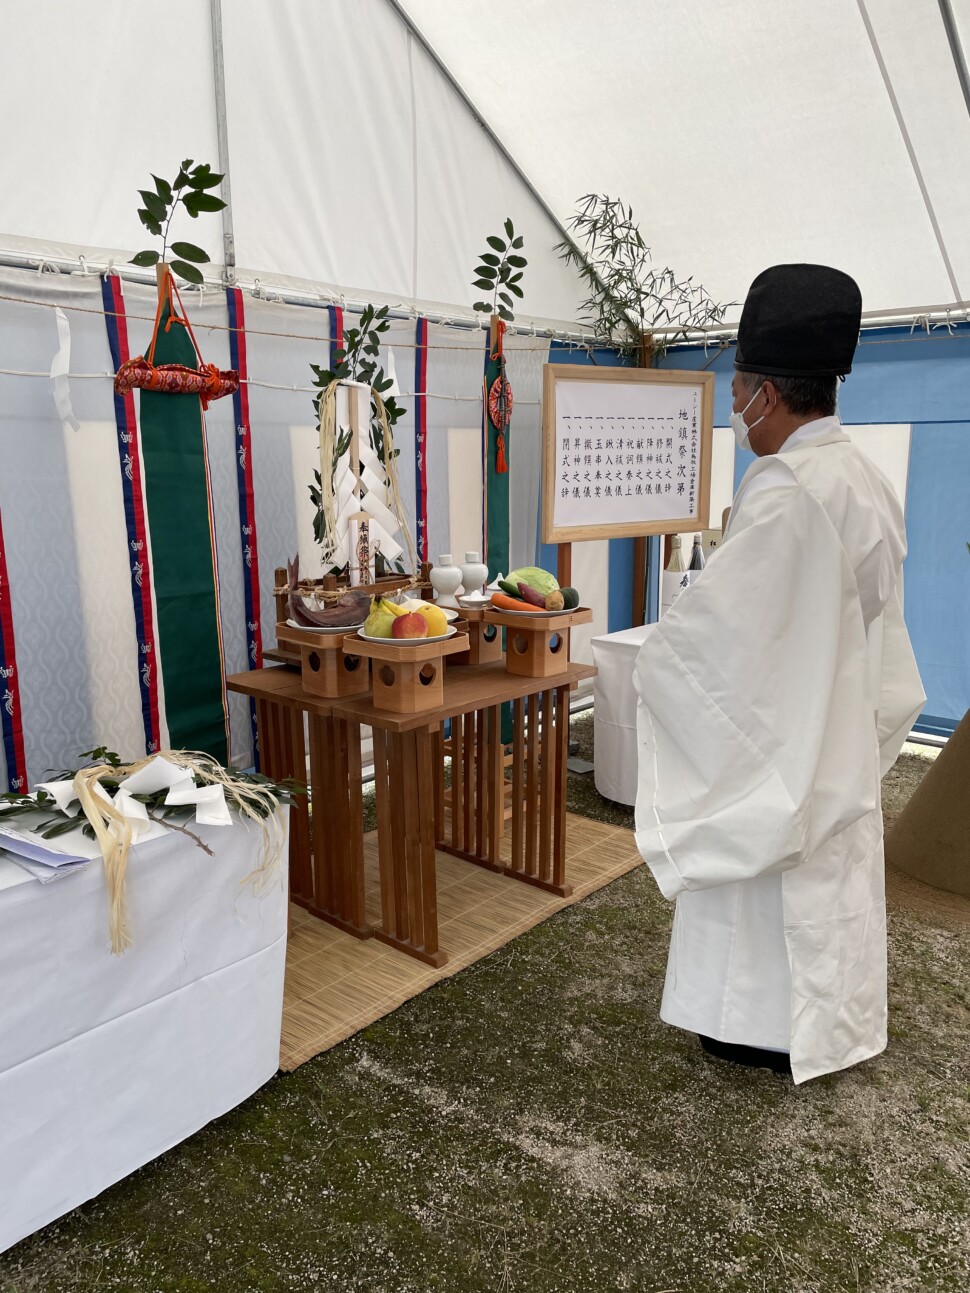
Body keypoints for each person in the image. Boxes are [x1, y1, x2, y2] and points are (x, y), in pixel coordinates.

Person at [633, 264, 925, 1084]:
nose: (734, 407)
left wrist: (664, 651)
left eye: (739, 388)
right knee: (827, 883)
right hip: (836, 720)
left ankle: (753, 1027)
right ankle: (821, 1020)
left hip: (785, 729)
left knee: (765, 873)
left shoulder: (791, 490)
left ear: (768, 393)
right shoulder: (862, 475)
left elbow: (729, 638)